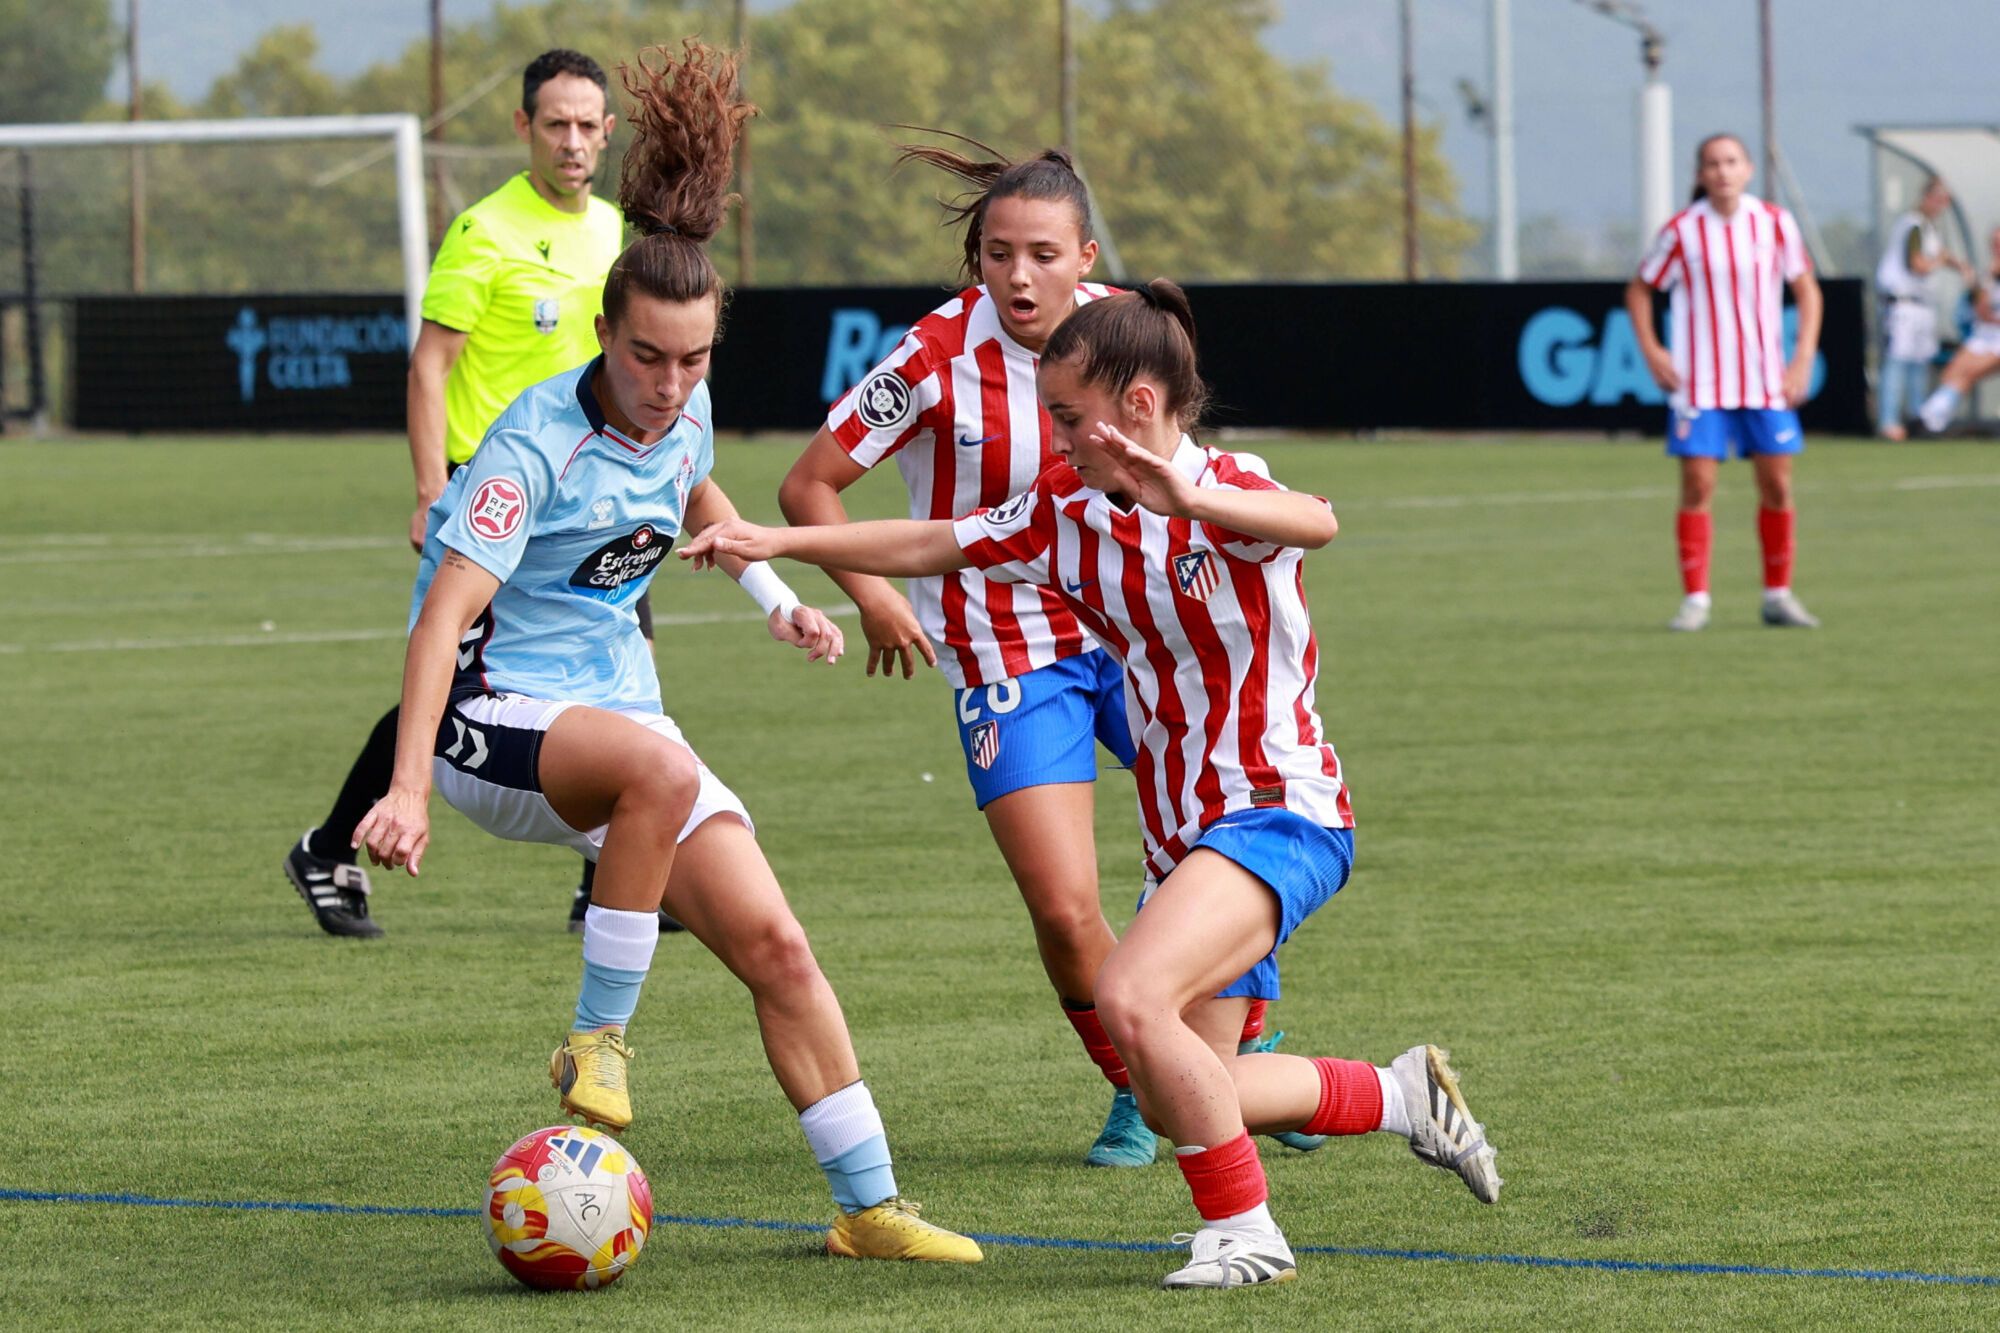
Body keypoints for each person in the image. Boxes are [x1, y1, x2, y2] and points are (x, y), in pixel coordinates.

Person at [683, 281, 1502, 1290]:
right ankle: (1402, 1095)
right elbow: (938, 542)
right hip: (1185, 837)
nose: (1054, 436)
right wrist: (779, 543)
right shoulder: (1065, 512)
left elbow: (1313, 521)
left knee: (1129, 994)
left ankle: (1245, 1233)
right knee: (1177, 1086)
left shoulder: (1229, 491)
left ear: (1139, 406)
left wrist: (1189, 501)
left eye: (1068, 417)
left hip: (1277, 808)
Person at [351, 41, 981, 1265]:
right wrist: (410, 785)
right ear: (603, 332)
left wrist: (771, 593)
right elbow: (438, 619)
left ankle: (867, 1208)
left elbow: (695, 494)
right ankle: (596, 1040)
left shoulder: (685, 410)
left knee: (778, 948)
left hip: (620, 726)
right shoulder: (531, 445)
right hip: (496, 720)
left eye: (693, 361)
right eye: (646, 357)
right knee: (662, 771)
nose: (669, 383)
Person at [777, 136, 1321, 1169]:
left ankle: (1231, 1052)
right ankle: (1142, 1083)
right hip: (1005, 650)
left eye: (1041, 255)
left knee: (1223, 825)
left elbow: (1202, 463)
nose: (1018, 277)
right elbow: (808, 484)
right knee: (1066, 910)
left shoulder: (1121, 336)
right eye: (997, 255)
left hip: (1138, 634)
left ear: (1085, 257)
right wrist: (876, 600)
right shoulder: (930, 356)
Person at [283, 49, 664, 938]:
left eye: (588, 125)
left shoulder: (616, 230)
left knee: (621, 667)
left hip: (592, 501)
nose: (572, 141)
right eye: (555, 124)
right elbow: (431, 364)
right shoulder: (484, 230)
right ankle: (329, 847)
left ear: (608, 132)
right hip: (497, 503)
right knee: (454, 692)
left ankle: (609, 868)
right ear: (524, 127)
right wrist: (430, 487)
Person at [1626, 132, 1824, 633]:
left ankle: (1777, 594)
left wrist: (1801, 357)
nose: (1723, 171)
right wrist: (1652, 349)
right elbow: (1640, 289)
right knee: (1698, 485)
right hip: (1700, 384)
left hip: (1764, 381)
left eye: (1732, 161)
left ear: (1749, 169)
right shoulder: (1683, 230)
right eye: (1713, 164)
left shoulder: (1774, 222)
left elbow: (1807, 290)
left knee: (1777, 484)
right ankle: (1696, 599)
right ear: (1700, 174)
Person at [1876, 176, 1971, 440]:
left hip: (1922, 306)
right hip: (1903, 304)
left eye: (1945, 201)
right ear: (1927, 197)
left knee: (1919, 363)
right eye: (1938, 199)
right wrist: (1939, 260)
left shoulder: (1929, 229)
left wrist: (1960, 266)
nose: (1941, 206)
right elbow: (1919, 264)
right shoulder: (1913, 225)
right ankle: (1888, 421)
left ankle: (1918, 421)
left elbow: (1942, 254)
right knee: (1897, 361)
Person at [1916, 224, 2000, 434]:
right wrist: (1981, 282)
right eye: (1994, 244)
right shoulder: (1989, 275)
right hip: (1985, 335)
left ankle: (1930, 417)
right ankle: (1932, 419)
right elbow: (1982, 310)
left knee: (1969, 373)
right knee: (1953, 373)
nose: (1997, 248)